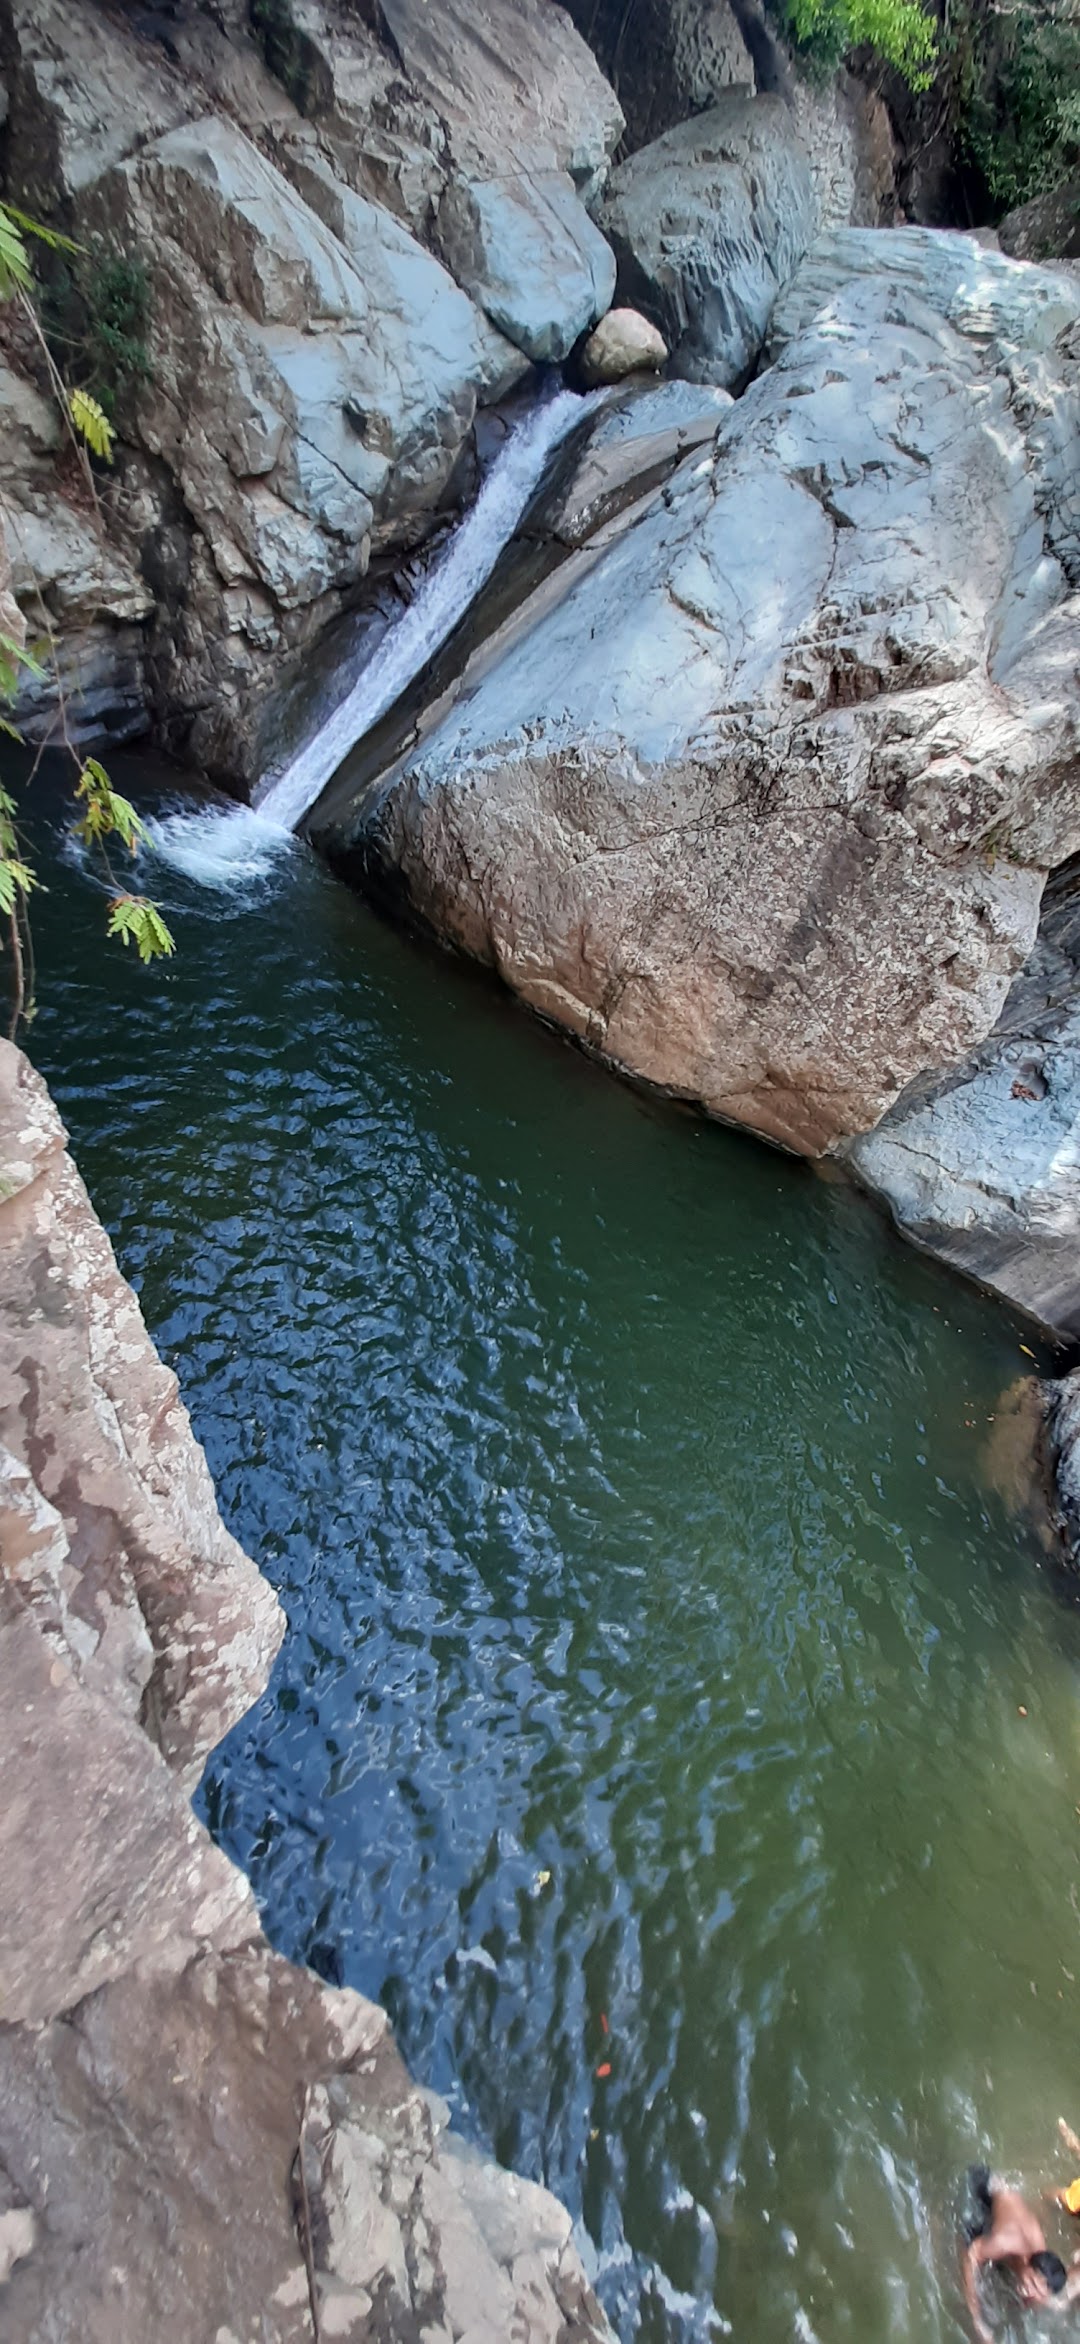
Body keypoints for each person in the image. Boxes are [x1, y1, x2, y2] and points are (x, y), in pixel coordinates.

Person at [962, 2166, 1080, 2342]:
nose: (1028, 2291)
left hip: (1006, 2219)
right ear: (1029, 2264)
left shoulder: (1039, 2256)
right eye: (1031, 2282)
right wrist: (976, 2317)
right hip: (982, 2190)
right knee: (968, 2248)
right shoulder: (1007, 2242)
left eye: (1037, 2292)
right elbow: (971, 2255)